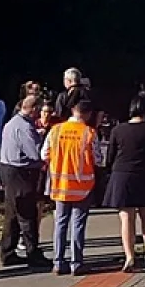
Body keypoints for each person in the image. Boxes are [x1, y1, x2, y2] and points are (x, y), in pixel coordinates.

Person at [104, 96, 145, 272]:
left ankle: (129, 256)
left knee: (126, 218)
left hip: (123, 175)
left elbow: (110, 156)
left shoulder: (118, 130)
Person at [44, 98, 98, 276]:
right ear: (88, 114)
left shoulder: (56, 130)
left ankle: (58, 262)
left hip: (59, 184)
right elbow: (98, 158)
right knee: (78, 225)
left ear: (73, 110)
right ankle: (77, 263)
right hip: (82, 187)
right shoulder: (89, 133)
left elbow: (44, 153)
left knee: (60, 224)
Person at [0, 94, 49, 268]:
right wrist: (42, 140)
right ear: (33, 109)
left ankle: (7, 251)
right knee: (27, 214)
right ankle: (33, 252)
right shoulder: (25, 128)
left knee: (12, 213)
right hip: (21, 173)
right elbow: (35, 152)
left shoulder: (11, 123)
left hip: (7, 169)